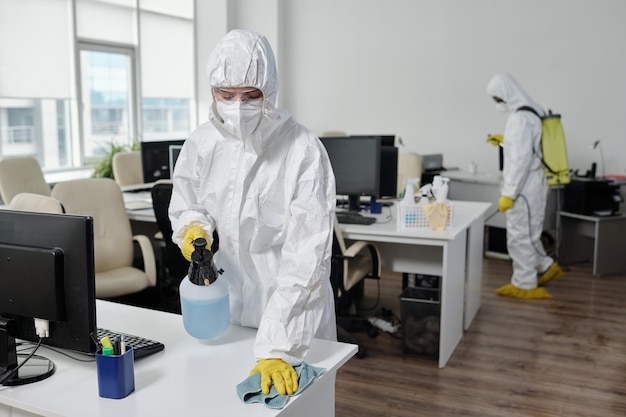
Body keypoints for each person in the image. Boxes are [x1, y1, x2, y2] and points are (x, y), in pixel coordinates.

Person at [168, 29, 337, 395]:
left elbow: (307, 259)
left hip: (292, 316)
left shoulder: (302, 150)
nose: (237, 106)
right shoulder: (201, 142)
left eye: (251, 95)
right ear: (212, 91)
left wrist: (279, 347)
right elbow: (188, 201)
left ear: (270, 90)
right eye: (226, 95)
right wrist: (194, 226)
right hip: (225, 310)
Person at [486, 73, 564, 299]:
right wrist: (504, 140)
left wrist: (509, 193)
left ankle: (524, 284)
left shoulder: (519, 118)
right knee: (531, 233)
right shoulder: (534, 110)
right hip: (535, 183)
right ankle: (546, 266)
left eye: (497, 99)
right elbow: (530, 146)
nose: (497, 104)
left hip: (524, 188)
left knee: (519, 235)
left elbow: (519, 161)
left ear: (506, 94)